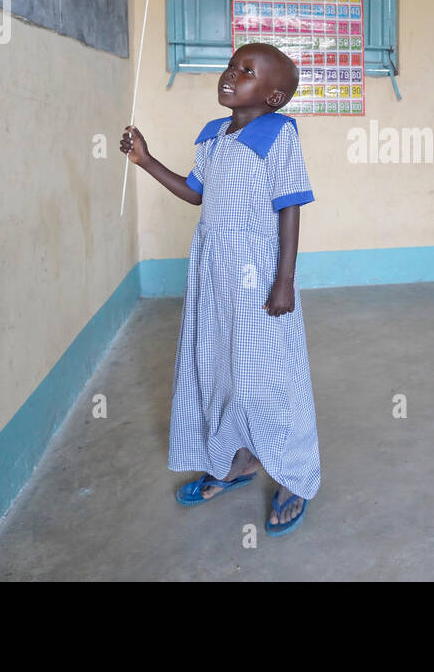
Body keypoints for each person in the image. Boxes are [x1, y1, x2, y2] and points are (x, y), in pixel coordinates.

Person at [120, 42, 318, 536]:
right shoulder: (214, 136)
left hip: (259, 276)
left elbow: (290, 207)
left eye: (246, 71)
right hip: (212, 273)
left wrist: (284, 281)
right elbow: (196, 194)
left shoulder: (279, 134)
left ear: (273, 97)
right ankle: (240, 460)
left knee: (268, 376)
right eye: (231, 66)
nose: (230, 74)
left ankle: (294, 476)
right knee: (219, 366)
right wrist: (145, 160)